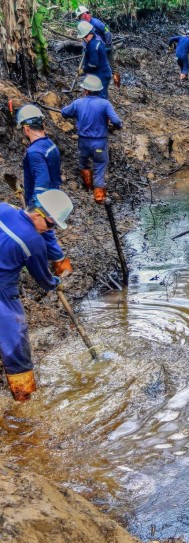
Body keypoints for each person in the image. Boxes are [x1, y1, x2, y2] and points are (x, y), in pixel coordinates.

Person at [0, 190, 73, 402]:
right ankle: (24, 399)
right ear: (36, 215)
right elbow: (44, 280)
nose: (49, 231)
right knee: (16, 341)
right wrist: (56, 283)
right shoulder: (33, 242)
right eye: (50, 226)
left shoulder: (5, 208)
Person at [17, 104, 73, 278]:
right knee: (47, 234)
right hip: (52, 197)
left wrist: (34, 207)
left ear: (26, 128)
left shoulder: (34, 152)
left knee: (45, 235)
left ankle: (62, 269)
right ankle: (60, 266)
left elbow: (42, 181)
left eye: (23, 129)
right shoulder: (50, 145)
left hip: (43, 201)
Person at [61, 75, 123, 205]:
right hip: (99, 142)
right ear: (99, 90)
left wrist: (76, 114)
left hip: (83, 142)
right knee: (100, 166)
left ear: (85, 90)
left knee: (84, 164)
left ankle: (88, 187)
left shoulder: (78, 103)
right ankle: (99, 198)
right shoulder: (104, 104)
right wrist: (117, 126)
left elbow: (64, 112)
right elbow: (116, 121)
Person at [75, 5, 120, 87]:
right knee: (90, 62)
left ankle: (117, 83)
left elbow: (107, 32)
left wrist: (108, 45)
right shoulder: (81, 24)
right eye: (82, 16)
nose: (85, 16)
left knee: (112, 65)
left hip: (104, 45)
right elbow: (83, 36)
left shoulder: (96, 22)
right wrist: (85, 48)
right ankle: (87, 81)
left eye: (86, 14)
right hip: (91, 47)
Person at [76, 20, 112, 99]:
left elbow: (93, 64)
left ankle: (103, 109)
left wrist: (84, 70)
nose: (84, 39)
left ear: (89, 34)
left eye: (84, 37)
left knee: (101, 96)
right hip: (101, 72)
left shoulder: (92, 46)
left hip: (101, 74)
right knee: (97, 94)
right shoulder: (96, 40)